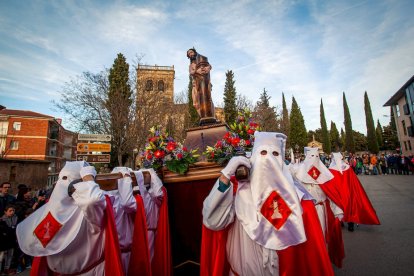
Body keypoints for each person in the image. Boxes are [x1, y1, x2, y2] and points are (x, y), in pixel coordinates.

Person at [201, 132, 334, 275]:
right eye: (263, 152)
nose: (268, 159)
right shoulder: (236, 191)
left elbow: (309, 255)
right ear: (252, 157)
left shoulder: (298, 200)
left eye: (275, 154)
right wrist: (226, 174)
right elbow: (212, 221)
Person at [16, 161, 124, 276]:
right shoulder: (50, 210)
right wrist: (89, 178)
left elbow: (93, 200)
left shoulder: (90, 211)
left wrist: (87, 178)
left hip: (89, 272)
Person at [290, 147, 344, 267]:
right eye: (311, 157)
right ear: (306, 158)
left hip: (321, 211)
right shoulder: (297, 173)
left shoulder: (325, 175)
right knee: (307, 239)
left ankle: (321, 263)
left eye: (316, 157)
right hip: (305, 213)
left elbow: (332, 195)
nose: (313, 160)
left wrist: (338, 211)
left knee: (321, 237)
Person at [321, 152, 380, 232]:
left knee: (339, 207)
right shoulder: (347, 167)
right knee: (350, 207)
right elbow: (353, 181)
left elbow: (329, 182)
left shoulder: (331, 170)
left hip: (338, 193)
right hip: (348, 192)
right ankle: (350, 224)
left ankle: (341, 222)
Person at [129, 168, 172, 276]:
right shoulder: (138, 196)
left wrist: (150, 174)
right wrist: (152, 173)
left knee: (152, 262)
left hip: (152, 233)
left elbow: (158, 193)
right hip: (143, 233)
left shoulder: (153, 195)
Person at [187, 48, 215, 123]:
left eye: (191, 52)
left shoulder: (201, 59)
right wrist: (197, 71)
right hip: (196, 84)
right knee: (196, 103)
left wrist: (207, 68)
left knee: (208, 99)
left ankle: (212, 116)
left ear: (195, 52)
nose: (191, 54)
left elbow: (209, 66)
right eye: (189, 54)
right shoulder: (191, 65)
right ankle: (203, 116)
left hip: (205, 82)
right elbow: (191, 72)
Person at [0, 205, 18, 275]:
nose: (12, 212)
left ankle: (7, 269)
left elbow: (15, 227)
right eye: (10, 211)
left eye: (13, 210)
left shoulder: (15, 217)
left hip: (12, 240)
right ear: (5, 212)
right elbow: (6, 230)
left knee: (10, 255)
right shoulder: (2, 219)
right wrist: (11, 228)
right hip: (4, 241)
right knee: (2, 257)